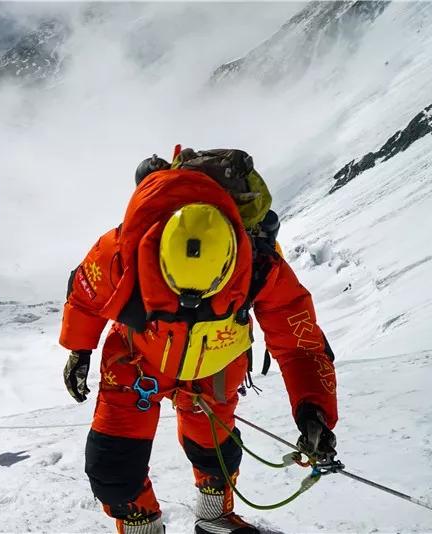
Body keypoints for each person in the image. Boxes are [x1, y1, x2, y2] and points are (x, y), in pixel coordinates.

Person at [60, 148, 337, 534]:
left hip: (212, 366)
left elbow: (299, 342)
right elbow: (86, 295)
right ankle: (144, 528)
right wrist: (79, 349)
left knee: (216, 453)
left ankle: (214, 519)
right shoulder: (123, 249)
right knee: (113, 465)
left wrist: (314, 410)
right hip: (137, 363)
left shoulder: (260, 262)